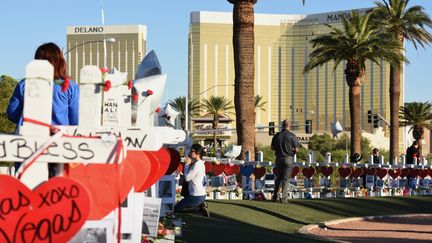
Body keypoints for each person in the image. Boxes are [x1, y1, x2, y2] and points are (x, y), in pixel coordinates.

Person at [7, 42, 79, 177]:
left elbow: (12, 114)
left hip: (27, 144)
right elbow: (75, 120)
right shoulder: (69, 87)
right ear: (60, 61)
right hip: (59, 145)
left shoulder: (23, 85)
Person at [174, 144, 210, 217]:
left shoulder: (197, 165)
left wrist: (187, 164)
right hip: (200, 194)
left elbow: (187, 178)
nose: (190, 153)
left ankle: (197, 208)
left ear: (198, 153)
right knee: (180, 205)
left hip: (196, 196)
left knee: (176, 209)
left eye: (192, 151)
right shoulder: (200, 163)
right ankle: (200, 205)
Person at [271, 119, 300, 203]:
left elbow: (272, 147)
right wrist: (292, 153)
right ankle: (284, 198)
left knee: (278, 178)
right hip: (288, 158)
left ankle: (274, 197)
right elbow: (297, 149)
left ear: (282, 125)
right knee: (286, 179)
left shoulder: (277, 135)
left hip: (279, 158)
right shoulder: (292, 136)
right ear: (289, 125)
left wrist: (279, 150)